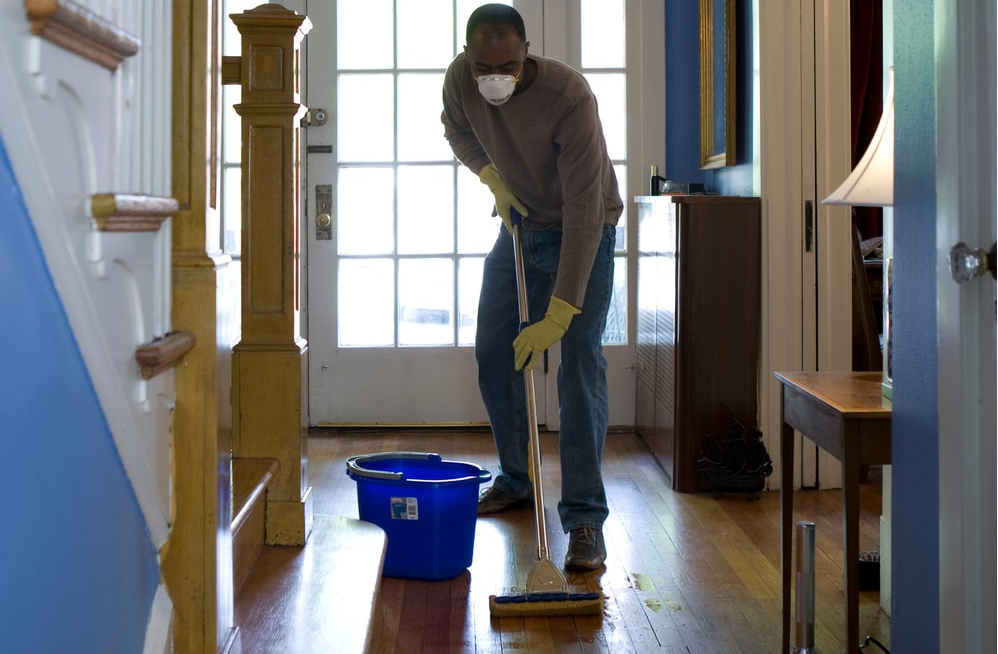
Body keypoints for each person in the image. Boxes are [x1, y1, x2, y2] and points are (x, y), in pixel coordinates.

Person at [441, 3, 622, 571]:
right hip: (519, 228)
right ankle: (517, 480)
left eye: (509, 65)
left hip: (583, 230)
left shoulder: (569, 98)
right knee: (494, 350)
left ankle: (586, 519)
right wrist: (492, 178)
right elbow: (456, 129)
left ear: (526, 54)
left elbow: (585, 211)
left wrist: (561, 312)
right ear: (469, 57)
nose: (497, 76)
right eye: (484, 65)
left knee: (578, 366)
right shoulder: (459, 79)